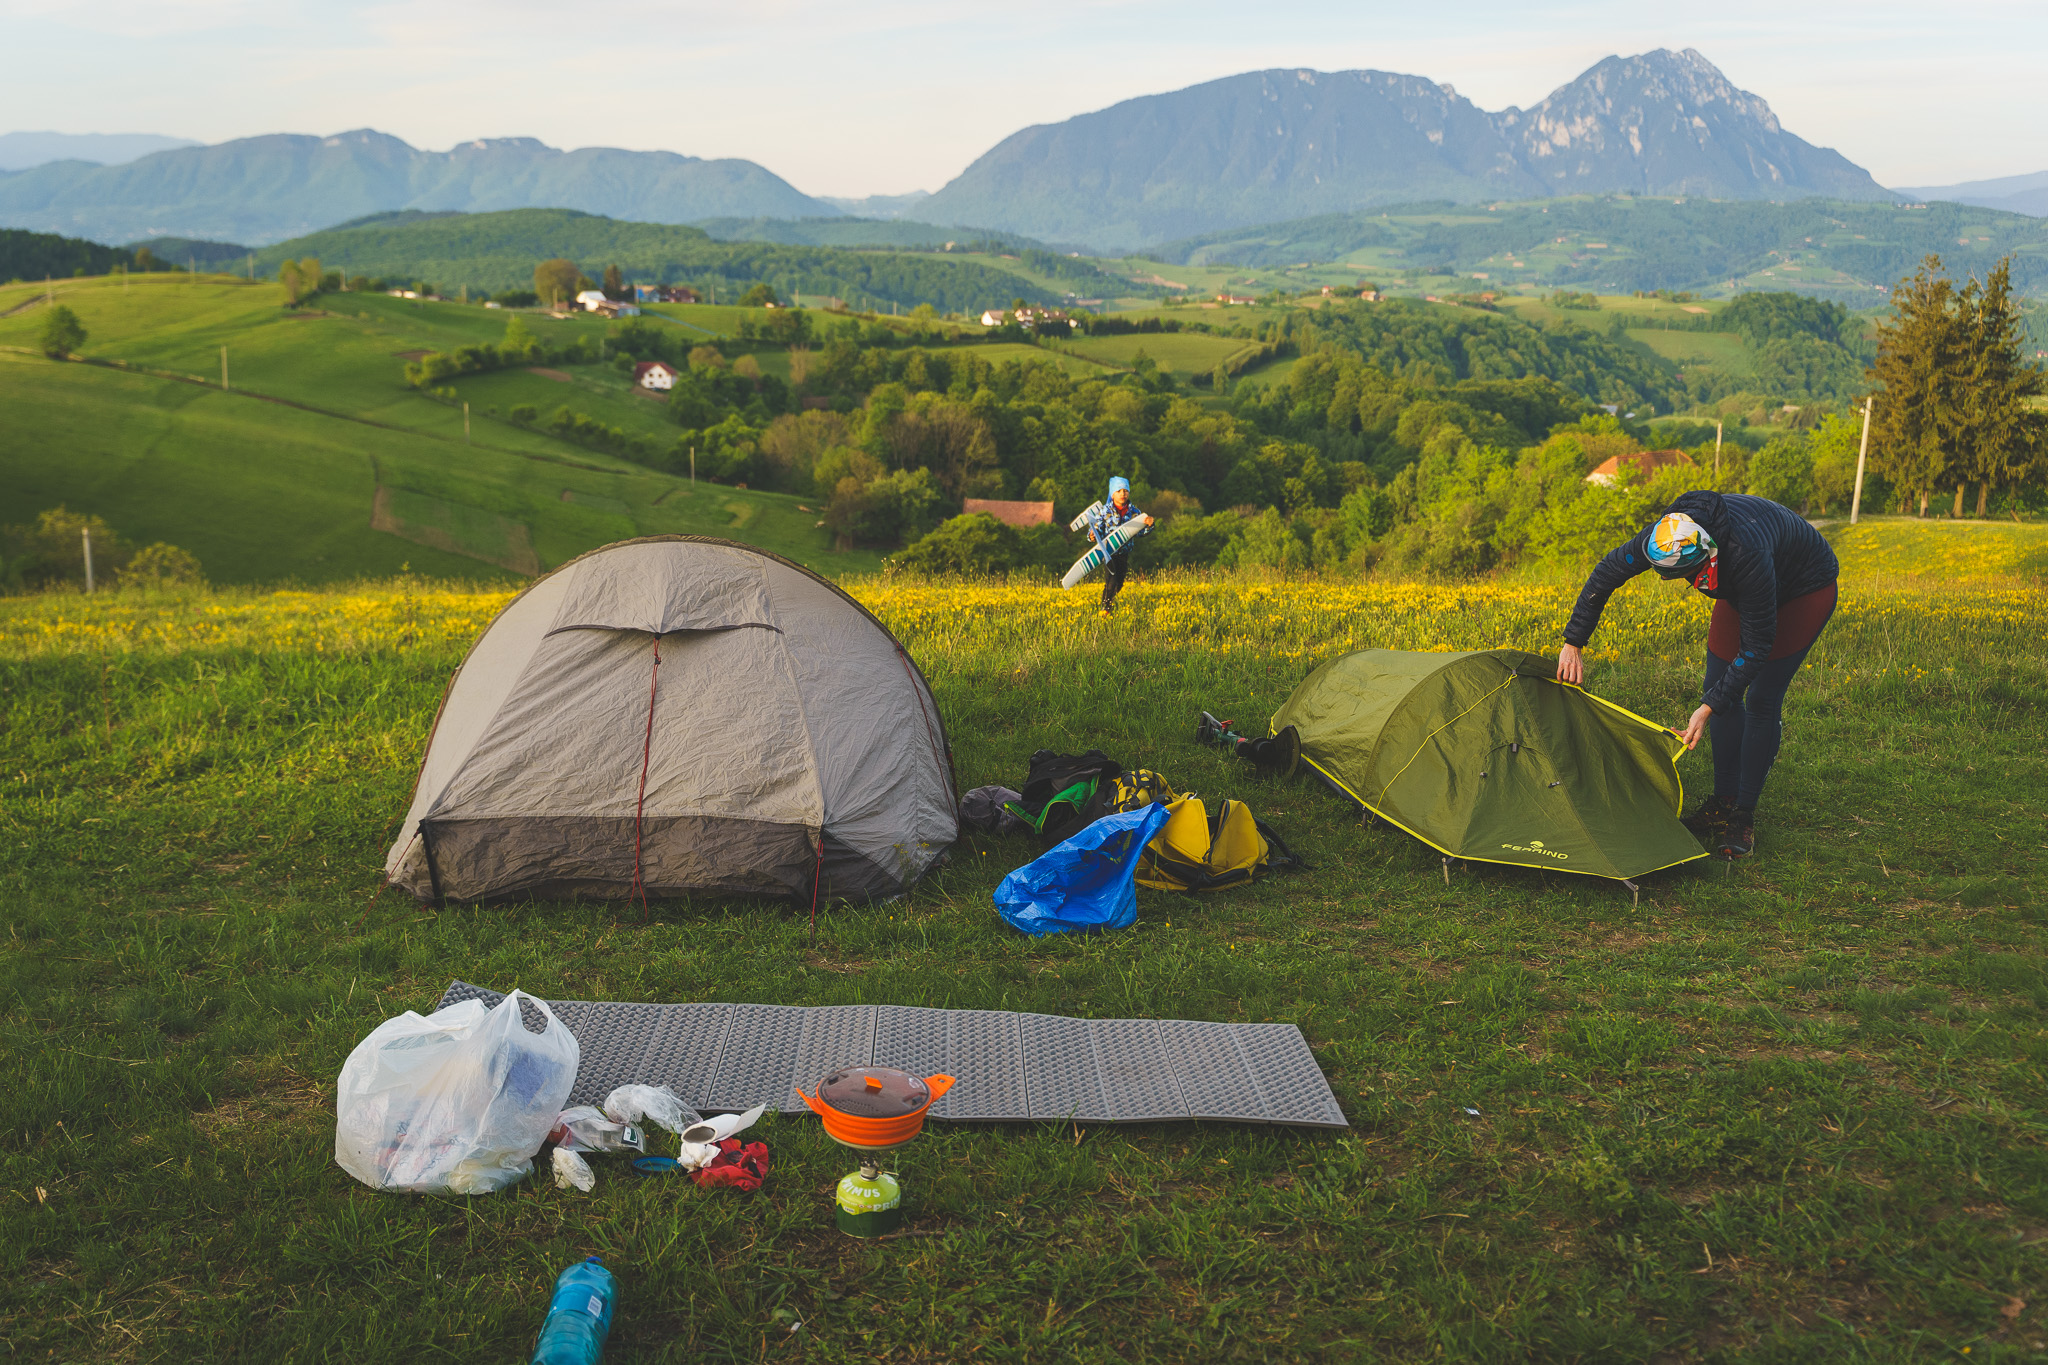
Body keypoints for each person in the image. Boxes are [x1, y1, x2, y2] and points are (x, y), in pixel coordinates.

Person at [1557, 490, 1838, 859]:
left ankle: (1743, 815)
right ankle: (1722, 801)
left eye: (1688, 576)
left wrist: (1707, 709)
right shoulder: (1667, 533)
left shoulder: (1744, 553)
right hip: (1747, 580)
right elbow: (1607, 572)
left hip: (1804, 586)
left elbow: (1756, 648)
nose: (1687, 584)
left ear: (1708, 555)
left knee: (1761, 698)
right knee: (1716, 686)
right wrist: (1573, 641)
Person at [1088, 476, 1154, 616]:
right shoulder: (1105, 511)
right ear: (1113, 494)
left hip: (1124, 553)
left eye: (1125, 490)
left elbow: (1140, 533)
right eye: (1119, 491)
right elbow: (1097, 528)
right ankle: (1105, 609)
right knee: (1111, 581)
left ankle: (1108, 602)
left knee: (1119, 583)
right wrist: (1092, 535)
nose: (1123, 493)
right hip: (1108, 553)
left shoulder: (1134, 512)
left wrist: (1149, 525)